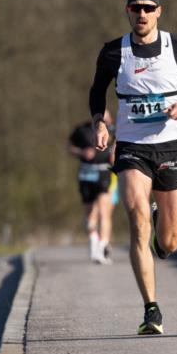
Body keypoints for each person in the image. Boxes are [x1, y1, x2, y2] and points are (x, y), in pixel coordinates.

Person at [89, 0, 177, 334]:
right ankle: (151, 310)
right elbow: (96, 92)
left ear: (159, 11)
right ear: (127, 12)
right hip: (132, 146)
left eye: (148, 8)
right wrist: (100, 123)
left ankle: (161, 224)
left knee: (170, 242)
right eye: (136, 8)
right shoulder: (113, 52)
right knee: (136, 219)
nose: (142, 14)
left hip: (173, 146)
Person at [68, 112, 117, 264]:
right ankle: (93, 242)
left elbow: (120, 144)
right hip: (86, 173)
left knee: (104, 210)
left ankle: (102, 247)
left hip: (104, 172)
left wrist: (115, 154)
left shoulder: (114, 130)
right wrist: (81, 152)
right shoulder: (81, 130)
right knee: (89, 215)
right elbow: (69, 147)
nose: (105, 119)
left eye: (107, 116)